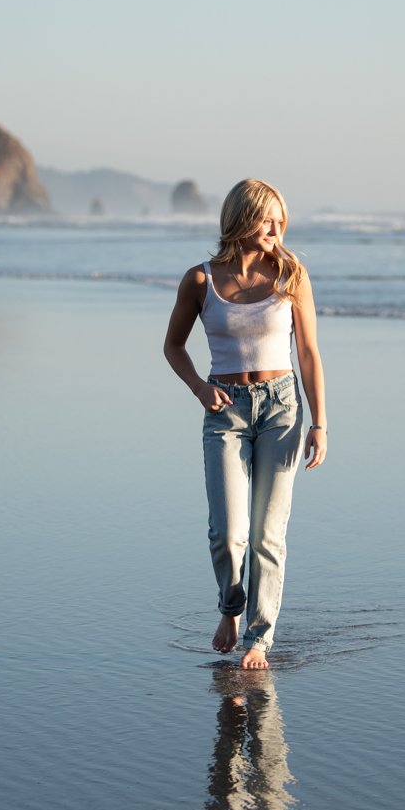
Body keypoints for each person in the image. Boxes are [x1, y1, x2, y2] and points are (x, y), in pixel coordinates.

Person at [163, 179, 328, 670]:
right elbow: (172, 346)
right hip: (225, 410)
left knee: (268, 534)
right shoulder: (200, 281)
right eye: (266, 219)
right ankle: (230, 609)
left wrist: (321, 422)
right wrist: (198, 387)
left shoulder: (291, 275)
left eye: (281, 219)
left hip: (282, 408)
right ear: (240, 219)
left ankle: (259, 638)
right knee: (227, 532)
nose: (276, 228)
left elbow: (309, 352)